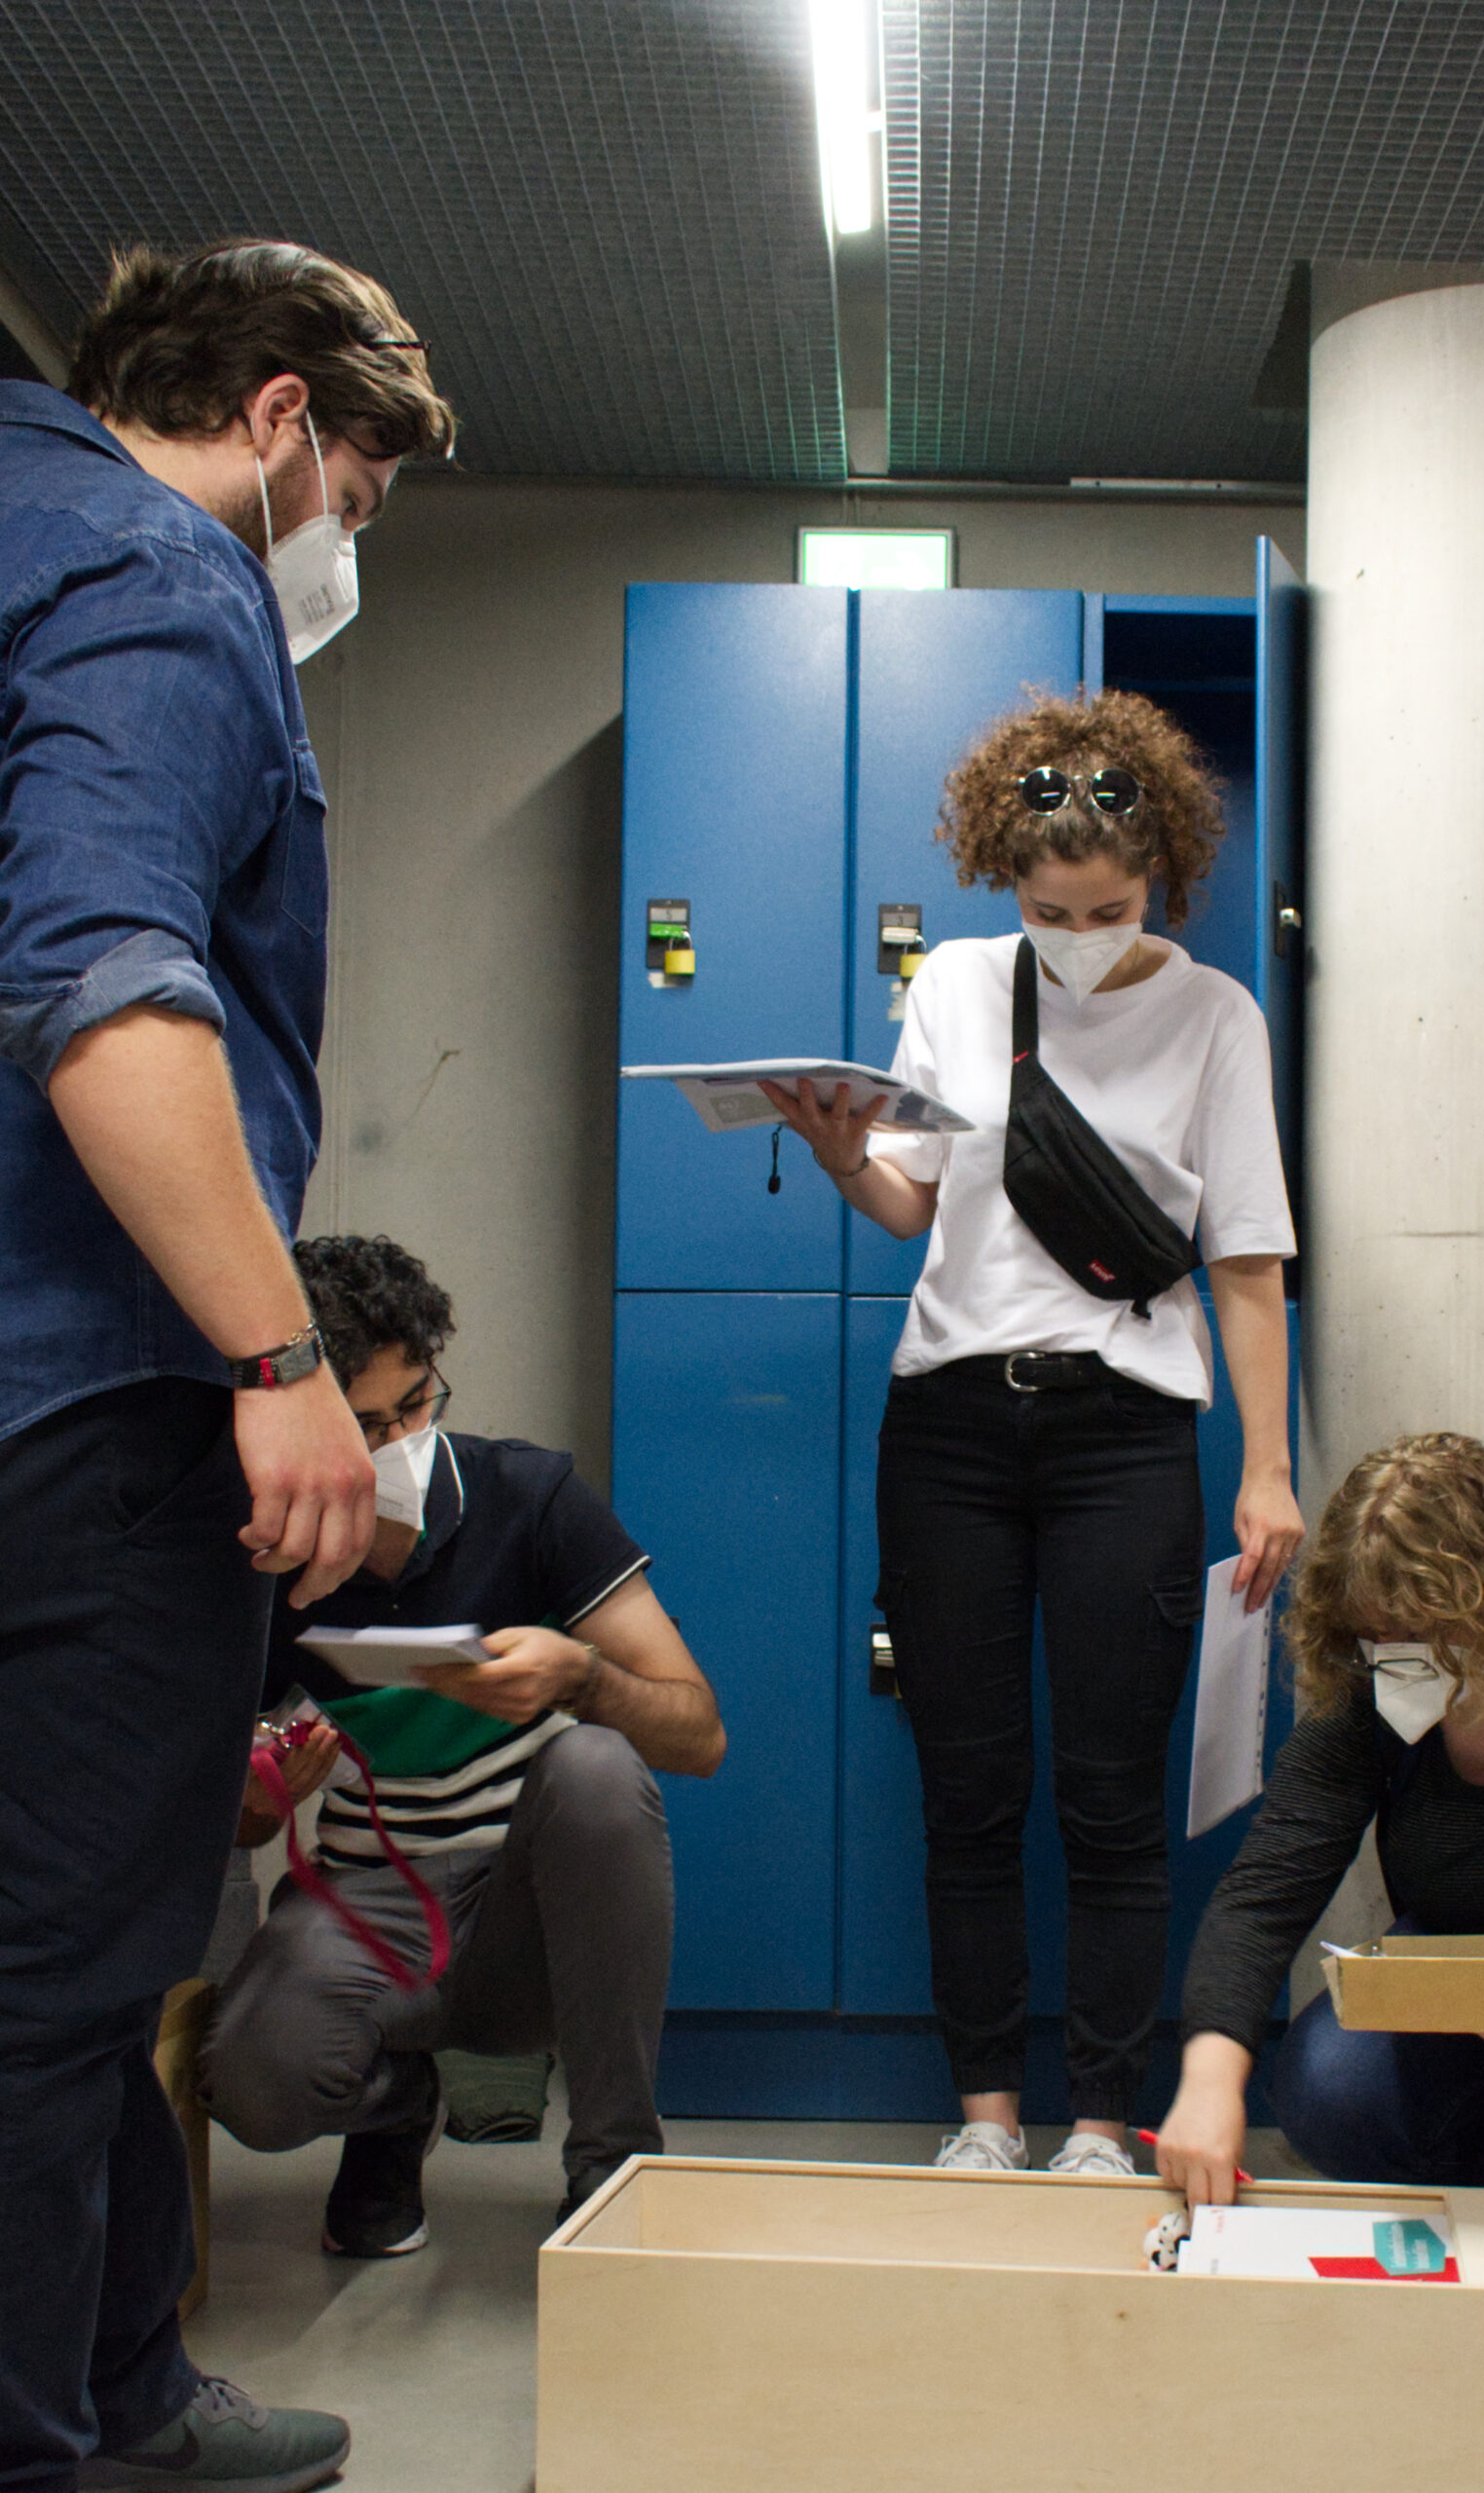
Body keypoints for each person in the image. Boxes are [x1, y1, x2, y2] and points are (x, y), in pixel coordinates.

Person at [0, 244, 453, 2493]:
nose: (343, 537)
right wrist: (274, 1349)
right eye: (357, 483)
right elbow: (102, 970)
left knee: (64, 1954)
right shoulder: (167, 579)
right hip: (90, 1389)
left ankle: (123, 2384)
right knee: (55, 1977)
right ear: (278, 418)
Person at [765, 688, 1302, 2178]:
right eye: (1047, 904)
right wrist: (833, 1153)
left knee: (1117, 1798)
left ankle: (1100, 2125)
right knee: (969, 1786)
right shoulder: (954, 981)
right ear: (1007, 873)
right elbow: (917, 1204)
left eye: (1107, 905)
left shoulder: (1210, 1014)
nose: (1074, 929)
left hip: (1123, 1433)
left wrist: (1265, 1470)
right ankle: (987, 2118)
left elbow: (1246, 1261)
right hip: (947, 1424)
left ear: (1162, 879)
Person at [204, 1234, 726, 2252]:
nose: (400, 1440)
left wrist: (581, 1676)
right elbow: (232, 1806)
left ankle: (612, 2170)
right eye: (363, 1424)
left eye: (418, 1403)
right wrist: (264, 1798)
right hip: (369, 1902)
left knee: (595, 1763)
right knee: (253, 2083)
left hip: (526, 1912)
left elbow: (697, 1733)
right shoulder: (263, 1541)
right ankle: (396, 2111)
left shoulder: (528, 1498)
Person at [1159, 1433, 1484, 2206]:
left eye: (1430, 1637)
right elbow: (1266, 1888)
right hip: (1459, 1972)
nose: (1400, 1660)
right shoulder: (1374, 1690)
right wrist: (1207, 2077)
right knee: (1330, 2089)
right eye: (1377, 1638)